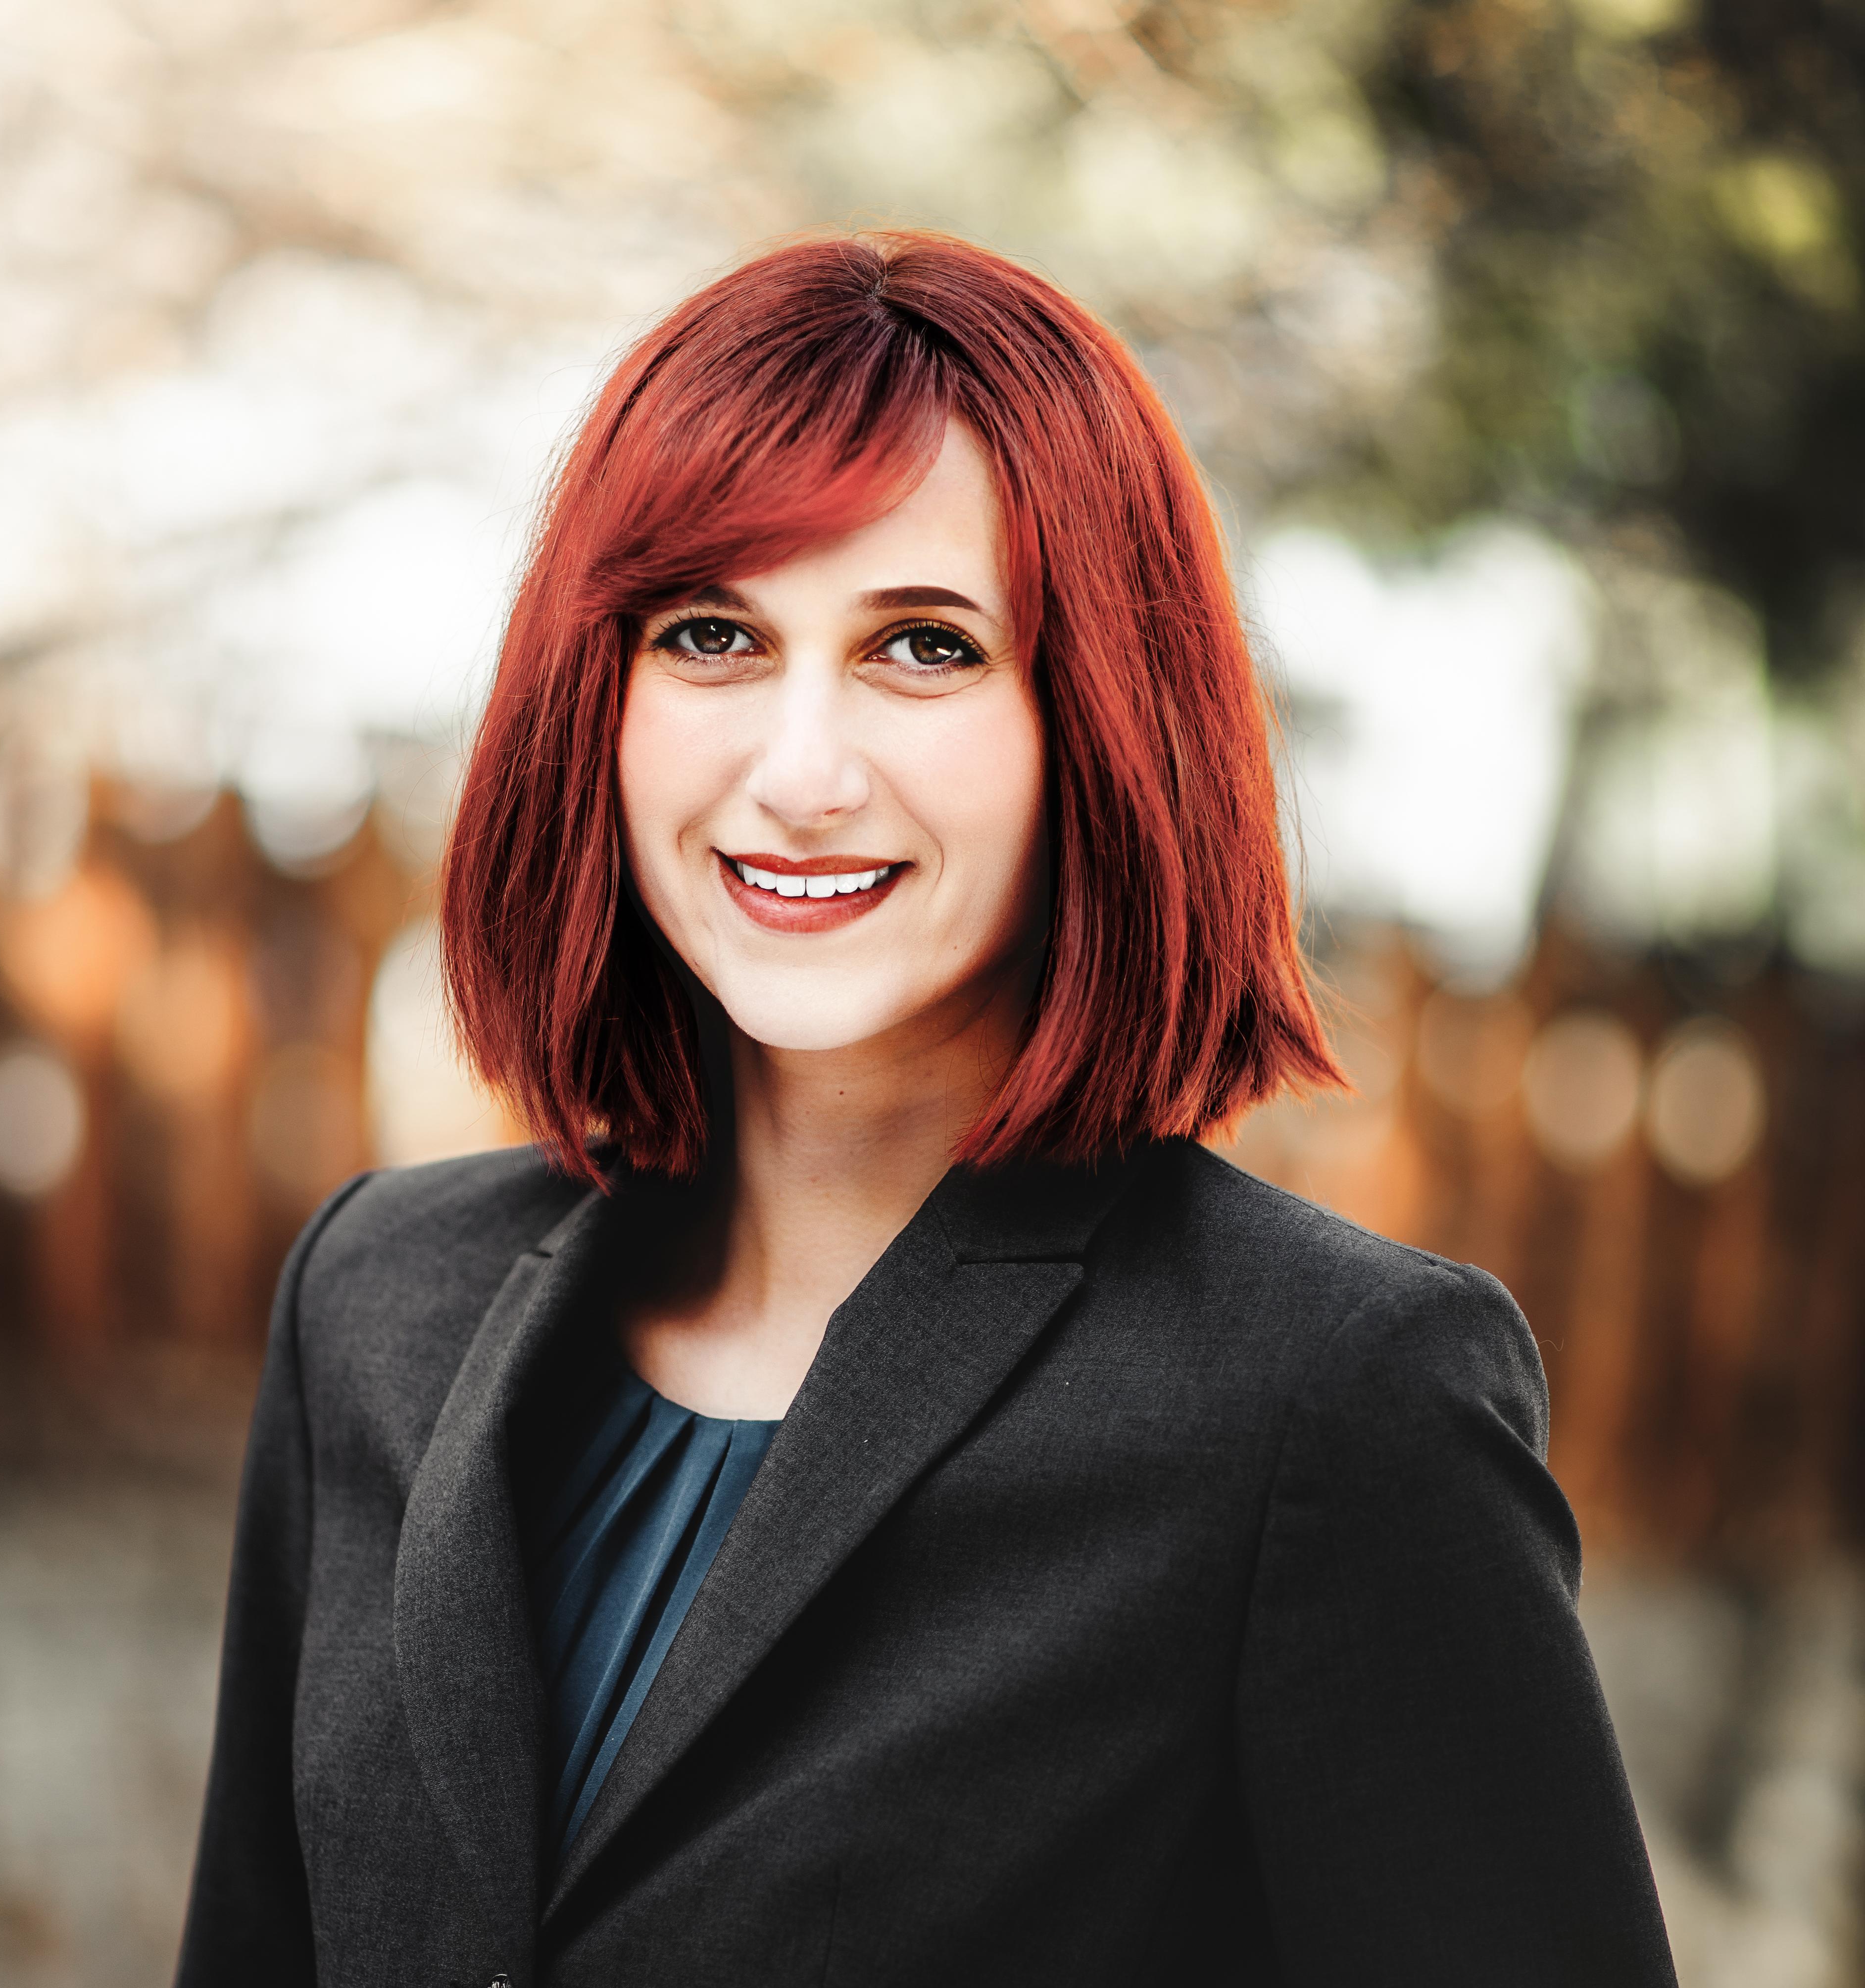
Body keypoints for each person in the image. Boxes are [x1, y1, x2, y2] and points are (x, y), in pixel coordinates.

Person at [176, 230, 1677, 1988]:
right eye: (714, 632)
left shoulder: (1330, 1402)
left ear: (1099, 725)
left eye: (925, 647)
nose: (801, 774)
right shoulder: (377, 1301)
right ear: (602, 697)